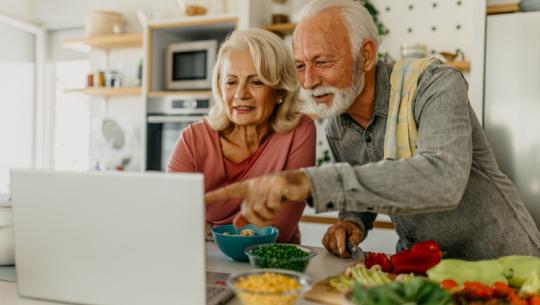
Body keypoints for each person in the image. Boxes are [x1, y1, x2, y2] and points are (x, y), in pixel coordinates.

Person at [205, 0, 540, 259]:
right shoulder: (338, 118)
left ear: (365, 55)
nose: (308, 82)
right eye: (300, 66)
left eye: (322, 63)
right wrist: (352, 222)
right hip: (423, 272)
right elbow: (362, 190)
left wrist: (309, 181)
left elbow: (443, 179)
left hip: (505, 266)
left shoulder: (435, 85)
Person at [168, 28, 316, 244]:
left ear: (280, 91)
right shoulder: (193, 139)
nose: (241, 94)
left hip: (270, 266)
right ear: (220, 87)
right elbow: (172, 218)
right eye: (231, 81)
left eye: (256, 82)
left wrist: (210, 231)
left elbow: (277, 231)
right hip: (202, 262)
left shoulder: (300, 131)